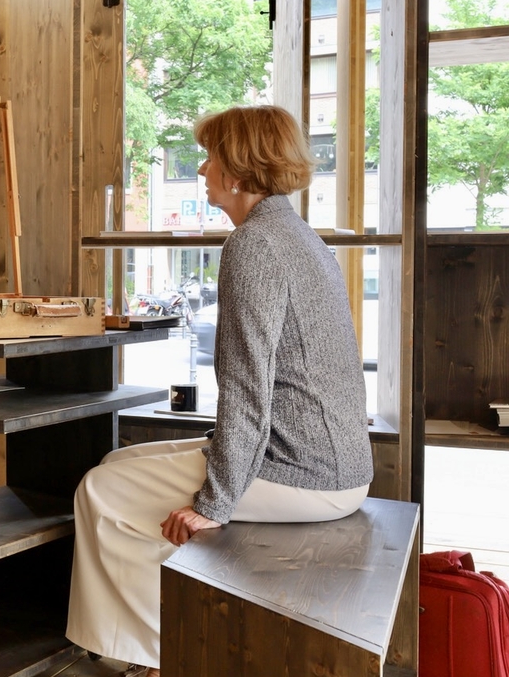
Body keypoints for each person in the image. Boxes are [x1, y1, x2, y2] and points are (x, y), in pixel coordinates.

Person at [65, 104, 374, 677]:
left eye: (209, 157)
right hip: (333, 463)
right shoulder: (293, 233)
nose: (202, 169)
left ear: (237, 170)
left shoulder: (256, 245)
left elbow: (245, 388)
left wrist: (215, 502)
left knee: (100, 490)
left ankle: (161, 655)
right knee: (117, 461)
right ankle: (163, 643)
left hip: (303, 472)